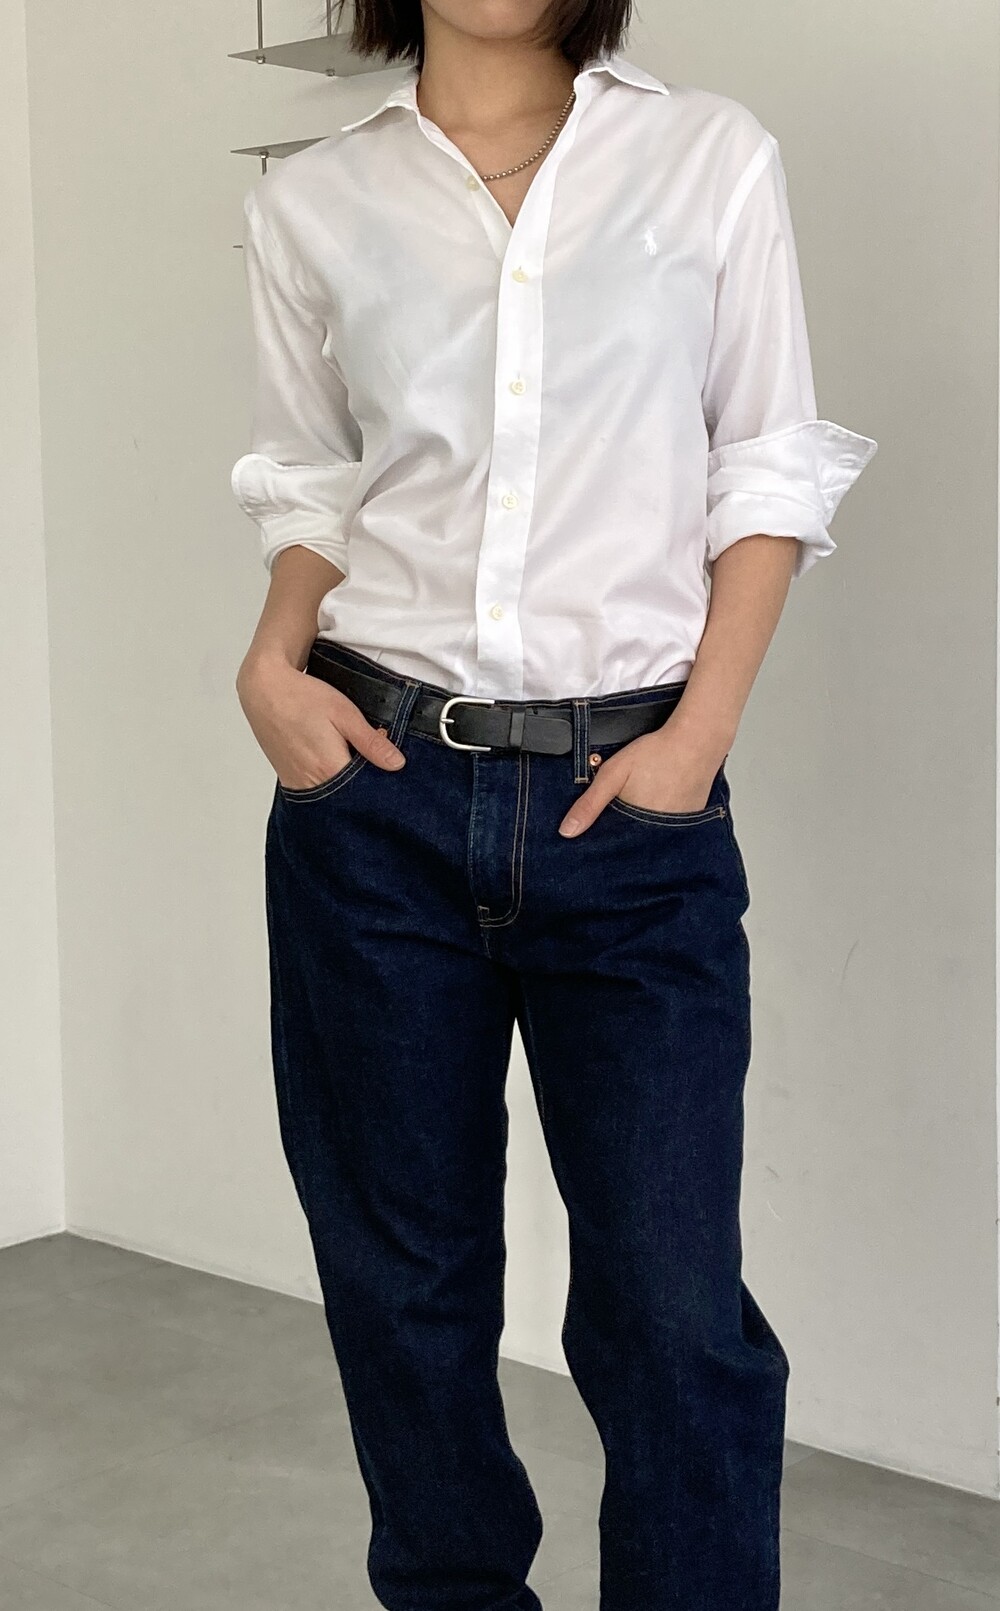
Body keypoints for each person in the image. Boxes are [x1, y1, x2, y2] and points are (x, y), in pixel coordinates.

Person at [230, 1, 877, 1606]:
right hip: (373, 799)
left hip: (631, 808)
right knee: (405, 1292)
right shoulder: (315, 199)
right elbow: (315, 479)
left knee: (672, 1309)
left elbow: (766, 464)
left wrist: (695, 739)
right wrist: (270, 661)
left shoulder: (707, 156)